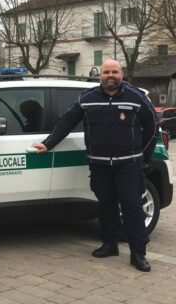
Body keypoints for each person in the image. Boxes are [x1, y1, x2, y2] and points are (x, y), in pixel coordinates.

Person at [32, 59, 158, 272]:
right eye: (106, 72)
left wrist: (143, 157)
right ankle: (109, 244)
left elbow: (152, 125)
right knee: (105, 204)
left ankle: (138, 253)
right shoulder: (87, 98)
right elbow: (67, 121)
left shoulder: (136, 97)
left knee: (132, 207)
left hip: (129, 164)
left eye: (114, 72)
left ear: (122, 74)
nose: (110, 75)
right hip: (99, 164)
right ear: (101, 75)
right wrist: (48, 143)